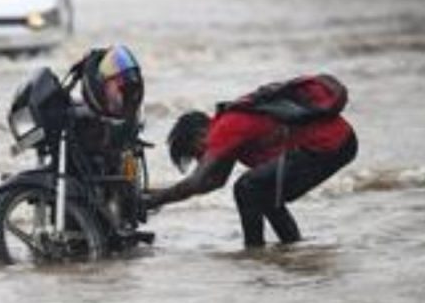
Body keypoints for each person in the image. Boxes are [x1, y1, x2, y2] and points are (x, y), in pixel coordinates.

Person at [143, 75, 357, 248]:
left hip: (330, 144)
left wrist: (152, 202)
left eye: (196, 153)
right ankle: (291, 246)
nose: (202, 159)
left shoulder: (224, 128)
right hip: (340, 143)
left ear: (200, 134)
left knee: (247, 188)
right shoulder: (229, 133)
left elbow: (198, 181)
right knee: (263, 192)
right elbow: (213, 183)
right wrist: (150, 193)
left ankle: (254, 251)